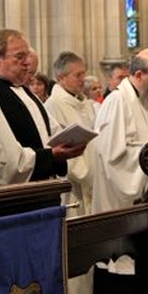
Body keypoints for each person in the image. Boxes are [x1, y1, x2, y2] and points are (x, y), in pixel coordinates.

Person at [90, 48, 148, 294]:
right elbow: (113, 159)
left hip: (145, 209)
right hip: (123, 209)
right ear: (138, 74)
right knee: (122, 288)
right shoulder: (118, 102)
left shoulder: (146, 103)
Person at [0, 28, 86, 192]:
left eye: (27, 56)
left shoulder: (26, 94)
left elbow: (51, 134)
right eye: (20, 57)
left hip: (41, 194)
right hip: (11, 204)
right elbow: (1, 163)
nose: (27, 62)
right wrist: (52, 155)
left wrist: (68, 144)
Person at [43, 51, 96, 217]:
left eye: (84, 74)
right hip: (72, 185)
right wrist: (87, 174)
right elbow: (58, 145)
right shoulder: (53, 105)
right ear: (61, 78)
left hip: (92, 180)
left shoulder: (85, 103)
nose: (83, 79)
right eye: (78, 75)